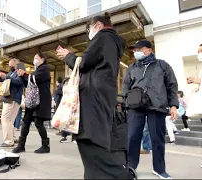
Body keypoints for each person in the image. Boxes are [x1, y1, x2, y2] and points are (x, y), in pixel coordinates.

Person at [57, 13, 131, 179]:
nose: (88, 33)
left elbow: (84, 63)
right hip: (103, 95)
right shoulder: (113, 43)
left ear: (97, 25)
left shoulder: (103, 37)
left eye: (88, 28)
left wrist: (68, 56)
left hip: (93, 97)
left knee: (89, 138)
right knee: (96, 139)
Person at [122, 39, 178, 179]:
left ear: (148, 49)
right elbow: (125, 86)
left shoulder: (162, 65)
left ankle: (159, 169)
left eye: (138, 49)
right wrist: (126, 101)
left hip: (157, 106)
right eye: (134, 50)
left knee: (157, 138)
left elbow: (172, 85)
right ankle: (130, 167)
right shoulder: (132, 68)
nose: (136, 52)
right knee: (133, 136)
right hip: (136, 106)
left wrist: (173, 105)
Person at [13, 53, 51, 154]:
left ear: (42, 59)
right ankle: (21, 145)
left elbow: (35, 79)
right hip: (32, 101)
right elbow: (28, 83)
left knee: (38, 122)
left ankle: (45, 145)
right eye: (34, 58)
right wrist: (21, 76)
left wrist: (24, 74)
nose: (34, 60)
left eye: (36, 58)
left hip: (41, 101)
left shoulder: (45, 69)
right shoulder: (36, 71)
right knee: (26, 122)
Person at [0, 59, 25, 148]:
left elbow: (19, 82)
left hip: (13, 98)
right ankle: (12, 138)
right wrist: (0, 76)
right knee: (10, 120)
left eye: (12, 65)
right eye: (9, 65)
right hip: (10, 98)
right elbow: (3, 79)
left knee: (5, 119)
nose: (10, 67)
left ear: (16, 65)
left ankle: (8, 141)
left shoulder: (20, 72)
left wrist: (7, 77)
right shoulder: (11, 73)